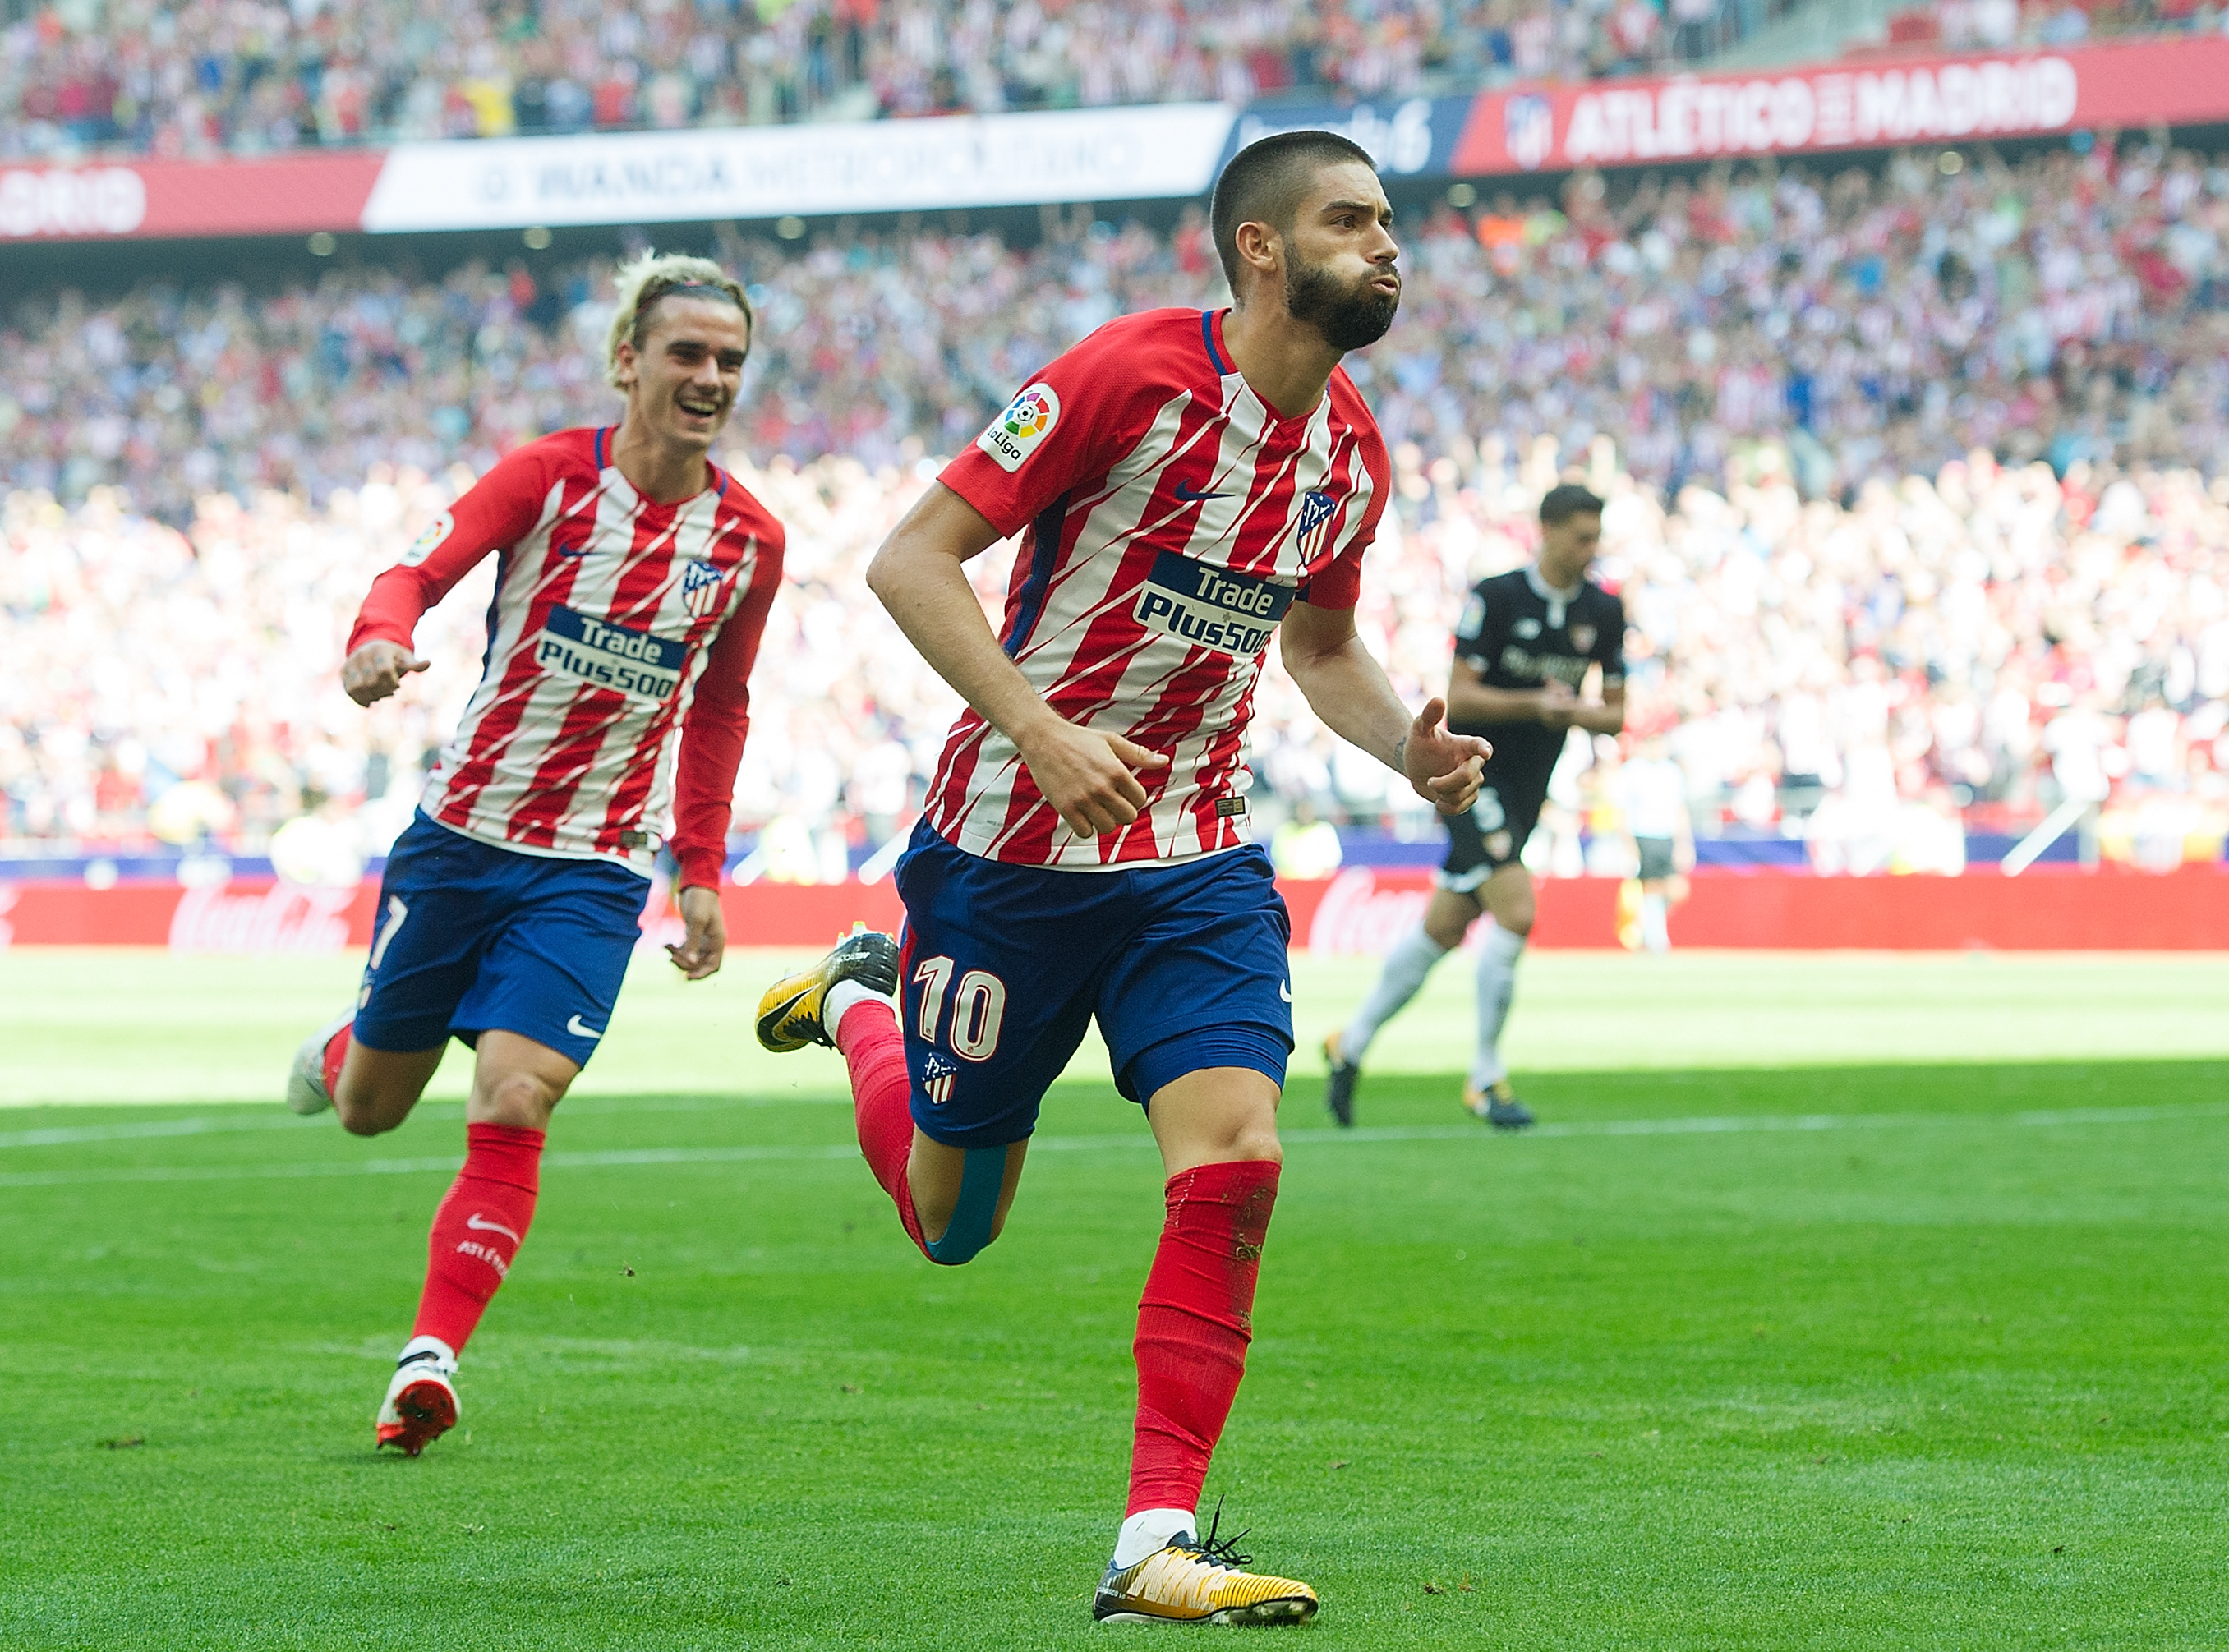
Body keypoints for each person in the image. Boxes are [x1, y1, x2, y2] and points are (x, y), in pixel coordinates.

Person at [753, 130, 1487, 1627]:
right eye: (1353, 220)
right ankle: (853, 1007)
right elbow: (911, 559)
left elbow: (1324, 649)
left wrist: (1403, 751)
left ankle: (1154, 1539)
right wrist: (1036, 726)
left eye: (1393, 220)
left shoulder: (1355, 453)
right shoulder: (1121, 375)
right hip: (1009, 856)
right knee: (954, 1222)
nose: (1391, 244)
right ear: (1261, 248)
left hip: (1198, 859)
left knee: (1240, 1156)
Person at [279, 251, 786, 1456]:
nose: (709, 376)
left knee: (515, 1094)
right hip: (461, 839)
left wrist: (699, 869)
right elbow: (416, 570)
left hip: (593, 871)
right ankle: (354, 1043)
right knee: (369, 1109)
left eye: (729, 359)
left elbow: (720, 707)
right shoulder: (552, 477)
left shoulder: (749, 540)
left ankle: (428, 1357)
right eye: (687, 353)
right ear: (629, 361)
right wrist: (375, 639)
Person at [1322, 483, 1627, 1130]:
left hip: (1530, 793)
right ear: (1545, 531)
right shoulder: (1497, 596)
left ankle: (1347, 1045)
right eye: (1581, 536)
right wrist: (1537, 706)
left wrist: (1578, 713)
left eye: (1596, 536)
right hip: (1471, 777)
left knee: (1444, 928)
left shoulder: (1603, 611)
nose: (1591, 548)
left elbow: (1618, 714)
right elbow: (1461, 696)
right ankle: (1485, 1078)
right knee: (1516, 910)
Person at [1617, 730, 1693, 951]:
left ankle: (1646, 928)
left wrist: (1684, 842)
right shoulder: (1633, 770)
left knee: (1677, 889)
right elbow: (1623, 810)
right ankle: (1657, 940)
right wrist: (1628, 843)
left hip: (1666, 836)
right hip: (1643, 834)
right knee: (1651, 887)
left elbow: (1680, 809)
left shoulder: (1672, 772)